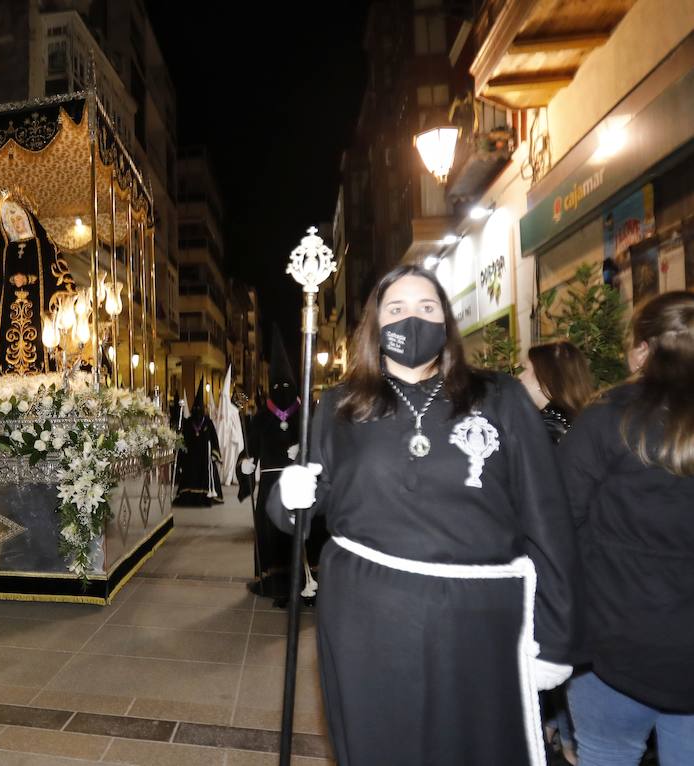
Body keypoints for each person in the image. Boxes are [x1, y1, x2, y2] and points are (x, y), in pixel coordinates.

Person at [271, 265, 579, 766]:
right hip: (367, 617)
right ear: (375, 324)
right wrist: (291, 494)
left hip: (477, 620)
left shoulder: (498, 397)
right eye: (396, 309)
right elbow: (298, 518)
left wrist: (557, 636)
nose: (411, 319)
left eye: (426, 308)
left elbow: (547, 518)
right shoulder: (342, 405)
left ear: (446, 321)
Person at [561, 290, 694, 765]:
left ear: (641, 348)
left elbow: (561, 524)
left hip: (610, 648)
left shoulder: (606, 418)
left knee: (605, 753)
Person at [516, 339, 594, 765]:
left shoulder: (544, 429)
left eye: (525, 370)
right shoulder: (588, 423)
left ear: (548, 380)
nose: (518, 378)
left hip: (546, 571)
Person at [239, 337, 306, 602]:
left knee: (294, 531)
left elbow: (320, 449)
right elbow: (250, 449)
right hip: (268, 487)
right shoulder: (261, 418)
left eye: (286, 386)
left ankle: (301, 579)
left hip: (297, 485)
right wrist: (245, 462)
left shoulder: (304, 416)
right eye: (277, 386)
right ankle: (270, 578)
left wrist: (303, 451)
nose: (282, 390)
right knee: (269, 531)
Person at [519, 341, 595, 444]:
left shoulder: (546, 430)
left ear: (544, 378)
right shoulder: (581, 420)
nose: (520, 376)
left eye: (525, 369)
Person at [173, 396, 222, 506]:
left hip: (205, 457)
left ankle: (206, 495)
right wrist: (180, 454)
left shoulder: (208, 422)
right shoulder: (188, 422)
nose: (197, 410)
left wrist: (215, 454)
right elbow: (182, 440)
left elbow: (214, 439)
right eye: (195, 408)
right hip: (190, 457)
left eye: (199, 408)